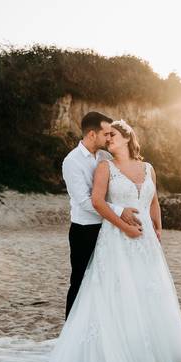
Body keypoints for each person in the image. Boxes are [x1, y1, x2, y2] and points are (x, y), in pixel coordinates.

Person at [0, 118, 181, 362]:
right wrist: (124, 224)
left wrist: (157, 228)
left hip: (145, 241)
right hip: (110, 236)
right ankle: (102, 353)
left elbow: (153, 201)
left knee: (147, 294)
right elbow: (94, 202)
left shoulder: (147, 168)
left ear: (126, 137)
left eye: (113, 134)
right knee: (103, 292)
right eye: (105, 134)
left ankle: (149, 356)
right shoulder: (99, 165)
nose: (108, 139)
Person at [60, 112, 142, 320]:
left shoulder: (105, 157)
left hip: (108, 229)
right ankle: (71, 334)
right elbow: (86, 202)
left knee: (105, 281)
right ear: (91, 134)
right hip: (84, 230)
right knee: (80, 281)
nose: (109, 138)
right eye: (106, 133)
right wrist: (119, 212)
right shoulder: (72, 162)